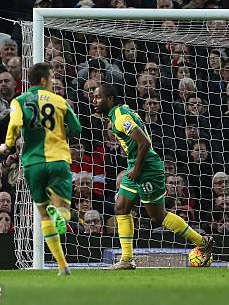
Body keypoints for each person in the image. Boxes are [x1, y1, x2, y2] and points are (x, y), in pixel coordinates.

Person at [92, 83, 214, 270]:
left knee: (158, 216)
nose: (94, 101)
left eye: (98, 97)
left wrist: (136, 170)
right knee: (121, 207)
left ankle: (202, 241)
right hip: (136, 165)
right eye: (93, 97)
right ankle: (126, 259)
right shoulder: (120, 112)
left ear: (110, 99)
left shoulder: (120, 118)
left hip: (147, 168)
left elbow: (145, 142)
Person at [0, 62, 81, 276]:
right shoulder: (60, 101)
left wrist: (7, 145)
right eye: (52, 78)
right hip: (58, 161)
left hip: (33, 163)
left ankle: (62, 266)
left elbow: (15, 125)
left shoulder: (19, 101)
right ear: (44, 80)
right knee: (64, 212)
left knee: (43, 215)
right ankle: (60, 215)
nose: (54, 82)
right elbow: (77, 128)